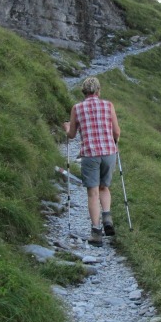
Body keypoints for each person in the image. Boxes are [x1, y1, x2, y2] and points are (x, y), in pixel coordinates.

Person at [64, 76, 121, 246]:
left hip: (90, 154)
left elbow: (72, 135)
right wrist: (114, 141)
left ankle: (96, 233)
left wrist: (66, 128)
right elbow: (117, 132)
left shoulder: (77, 108)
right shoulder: (108, 105)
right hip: (109, 152)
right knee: (104, 187)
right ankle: (107, 218)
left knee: (92, 193)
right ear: (98, 91)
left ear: (83, 92)